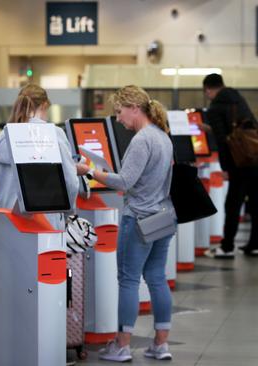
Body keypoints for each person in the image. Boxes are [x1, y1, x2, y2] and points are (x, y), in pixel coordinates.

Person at [75, 85, 175, 362]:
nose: (118, 119)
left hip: (139, 218)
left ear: (134, 108)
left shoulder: (142, 140)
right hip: (163, 216)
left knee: (129, 280)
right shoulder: (163, 137)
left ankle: (122, 345)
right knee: (157, 278)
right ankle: (161, 343)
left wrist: (90, 171)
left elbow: (124, 182)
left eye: (119, 112)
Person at [0, 84, 78, 230]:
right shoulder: (54, 134)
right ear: (44, 105)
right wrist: (67, 212)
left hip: (10, 221)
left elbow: (3, 181)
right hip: (47, 221)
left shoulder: (5, 136)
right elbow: (71, 182)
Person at [202, 73, 258, 258]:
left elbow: (223, 142)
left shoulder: (215, 108)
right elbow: (238, 129)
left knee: (233, 205)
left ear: (208, 89)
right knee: (256, 205)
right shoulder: (238, 99)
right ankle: (254, 245)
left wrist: (226, 169)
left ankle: (227, 247)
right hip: (256, 157)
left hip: (239, 163)